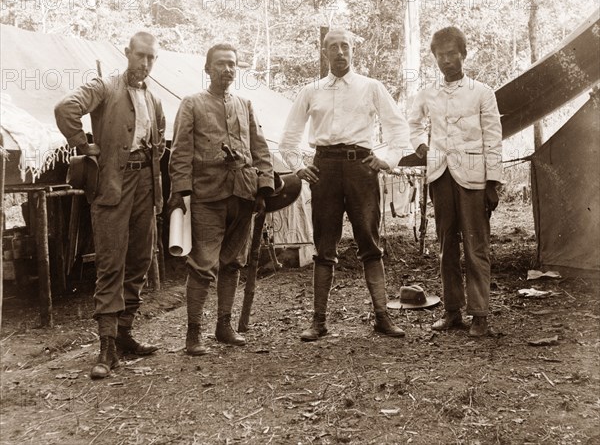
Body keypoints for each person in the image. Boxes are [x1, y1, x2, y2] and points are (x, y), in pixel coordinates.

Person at [279, 29, 410, 341]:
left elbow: (397, 127)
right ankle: (318, 321)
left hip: (361, 168)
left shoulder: (371, 87)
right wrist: (299, 166)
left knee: (370, 241)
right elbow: (288, 138)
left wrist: (387, 159)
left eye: (345, 46)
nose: (339, 52)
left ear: (353, 51)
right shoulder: (311, 91)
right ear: (325, 53)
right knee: (324, 245)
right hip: (323, 168)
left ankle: (382, 316)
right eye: (333, 47)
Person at [55, 31, 165, 379]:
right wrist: (83, 144)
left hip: (145, 185)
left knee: (139, 260)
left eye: (150, 58)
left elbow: (158, 144)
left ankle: (125, 334)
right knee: (110, 263)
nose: (144, 64)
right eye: (139, 56)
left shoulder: (155, 99)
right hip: (113, 186)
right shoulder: (104, 86)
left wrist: (157, 189)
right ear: (127, 53)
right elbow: (65, 109)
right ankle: (106, 346)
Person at [167, 43, 274, 355]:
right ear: (207, 69)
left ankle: (224, 326)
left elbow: (260, 148)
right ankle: (193, 333)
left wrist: (264, 186)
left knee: (233, 263)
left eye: (232, 64)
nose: (227, 69)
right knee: (202, 265)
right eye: (220, 64)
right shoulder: (192, 103)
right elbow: (180, 152)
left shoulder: (245, 104)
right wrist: (180, 193)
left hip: (243, 195)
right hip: (207, 196)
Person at [408, 26, 502, 337]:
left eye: (453, 53)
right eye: (441, 55)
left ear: (463, 54)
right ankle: (452, 312)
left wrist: (492, 183)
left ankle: (479, 315)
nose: (447, 60)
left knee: (476, 247)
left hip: (474, 179)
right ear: (434, 58)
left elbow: (493, 137)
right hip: (440, 176)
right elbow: (413, 122)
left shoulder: (481, 92)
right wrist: (421, 147)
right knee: (447, 245)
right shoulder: (428, 93)